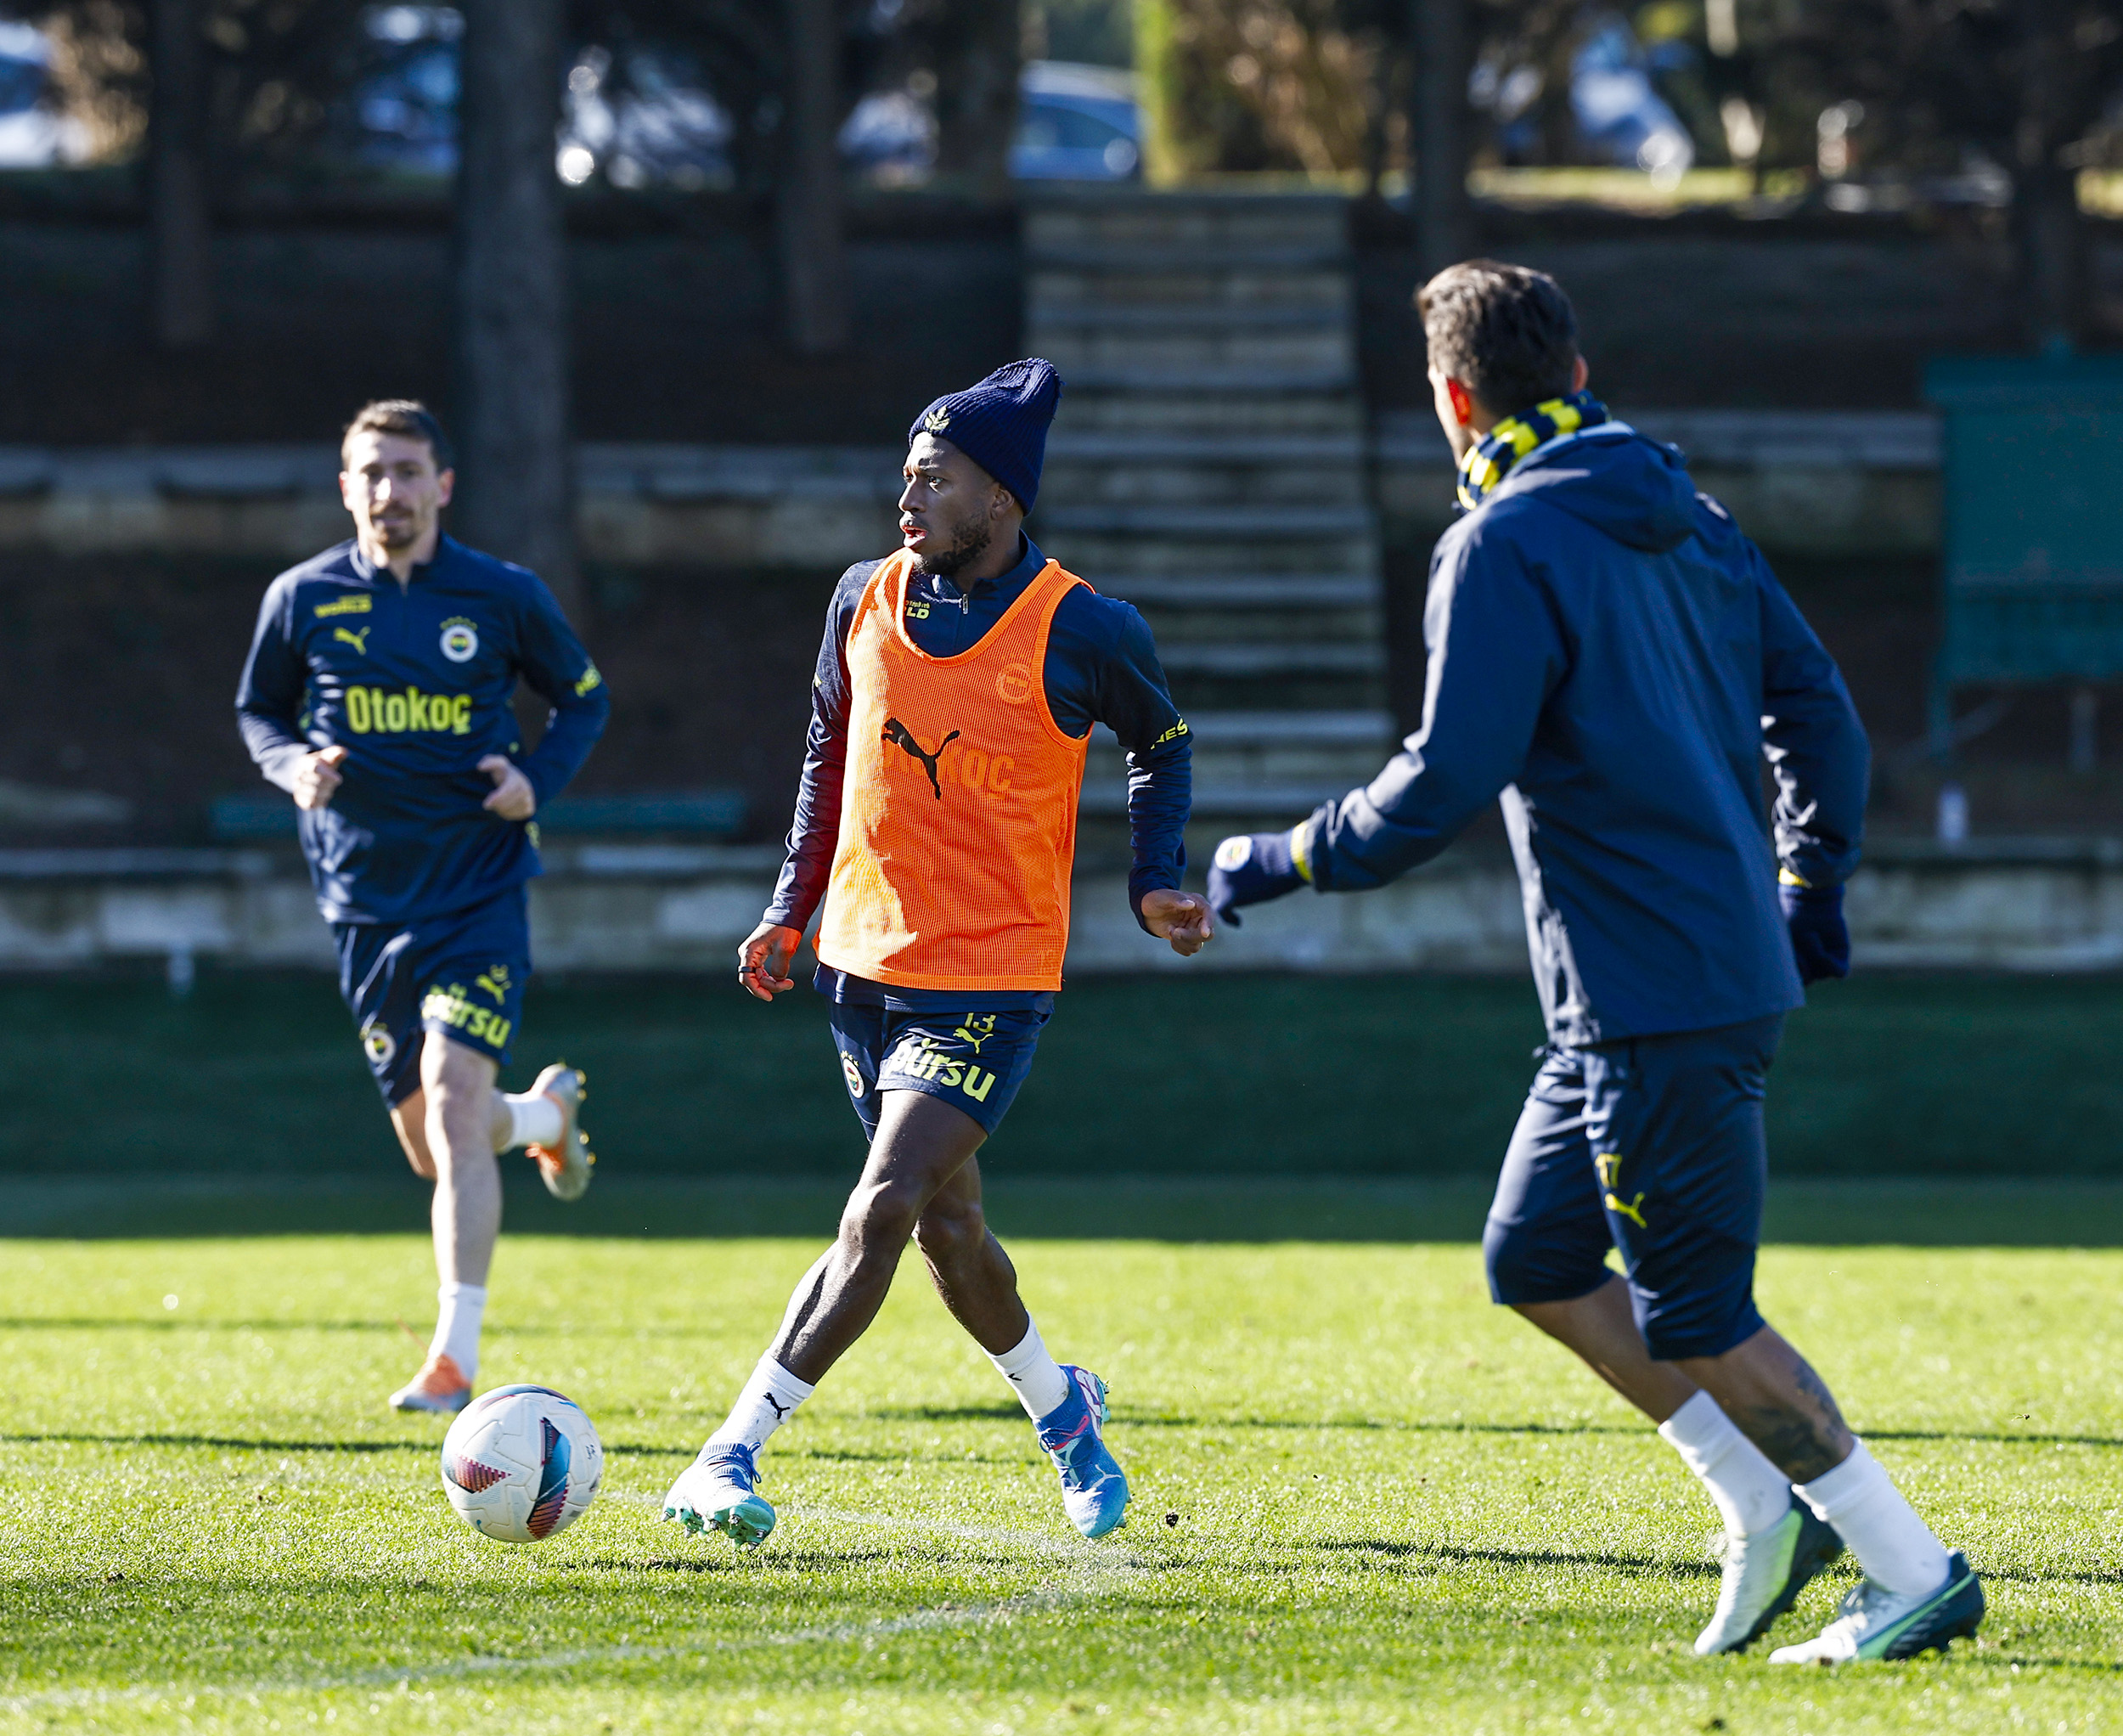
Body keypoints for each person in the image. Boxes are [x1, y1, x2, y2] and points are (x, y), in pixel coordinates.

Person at [1208, 263, 1985, 1664]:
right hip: (1651, 987)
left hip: (1650, 994)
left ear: (1453, 396)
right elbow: (1821, 713)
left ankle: (1909, 1565)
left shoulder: (1503, 540)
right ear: (1571, 362)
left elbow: (1445, 778)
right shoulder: (1687, 512)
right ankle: (1765, 1504)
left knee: (1695, 1309)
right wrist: (1812, 876)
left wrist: (1278, 857)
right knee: (1541, 1253)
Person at [662, 358, 1213, 1547]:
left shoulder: (1085, 625)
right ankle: (1070, 1422)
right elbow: (826, 755)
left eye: (935, 477)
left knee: (883, 1206)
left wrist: (1156, 879)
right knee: (949, 1233)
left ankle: (727, 1454)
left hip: (990, 982)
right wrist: (788, 908)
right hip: (860, 970)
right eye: (905, 473)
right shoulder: (859, 597)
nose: (907, 496)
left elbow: (1160, 744)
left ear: (1002, 498)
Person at [235, 399, 611, 1414]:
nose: (389, 492)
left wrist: (536, 779)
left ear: (443, 485)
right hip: (361, 900)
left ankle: (455, 1356)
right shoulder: (302, 598)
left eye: (408, 472)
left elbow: (583, 696)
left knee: (450, 1107)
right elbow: (258, 711)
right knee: (431, 1144)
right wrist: (290, 766)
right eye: (372, 472)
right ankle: (541, 1114)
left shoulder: (500, 594)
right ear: (345, 485)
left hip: (477, 888)